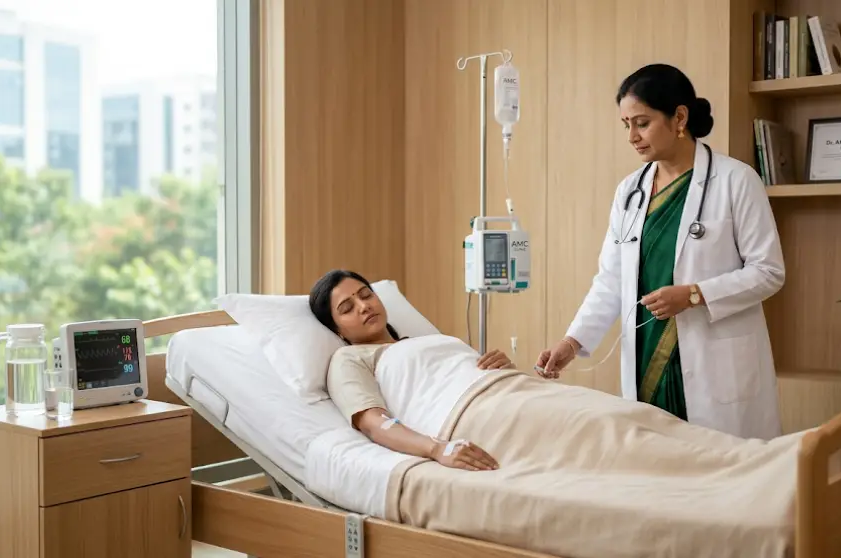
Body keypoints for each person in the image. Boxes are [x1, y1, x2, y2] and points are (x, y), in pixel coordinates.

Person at [535, 63, 786, 440]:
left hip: (712, 359)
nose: (632, 136)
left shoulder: (736, 180)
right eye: (626, 125)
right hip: (647, 352)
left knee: (721, 474)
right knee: (659, 471)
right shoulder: (630, 191)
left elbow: (768, 271)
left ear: (679, 117)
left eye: (642, 122)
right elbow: (611, 280)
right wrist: (572, 343)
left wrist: (694, 295)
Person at [309, 269, 506, 472]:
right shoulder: (350, 358)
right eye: (348, 308)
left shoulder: (427, 340)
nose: (364, 306)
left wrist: (503, 369)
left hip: (506, 391)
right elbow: (374, 423)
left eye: (366, 295)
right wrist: (437, 449)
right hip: (474, 412)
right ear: (337, 330)